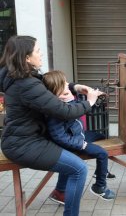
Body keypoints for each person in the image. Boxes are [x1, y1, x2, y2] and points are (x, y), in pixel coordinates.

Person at [0, 35, 101, 216]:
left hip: (25, 138)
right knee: (79, 169)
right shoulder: (26, 84)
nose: (41, 54)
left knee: (71, 153)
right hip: (24, 144)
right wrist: (90, 102)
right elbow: (64, 111)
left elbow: (45, 83)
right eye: (38, 51)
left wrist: (74, 87)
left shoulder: (16, 75)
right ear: (26, 58)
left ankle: (60, 192)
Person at [42, 70, 116, 202]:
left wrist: (90, 94)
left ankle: (101, 172)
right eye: (64, 83)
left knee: (100, 136)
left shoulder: (63, 98)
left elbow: (75, 107)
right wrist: (81, 144)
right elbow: (59, 136)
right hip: (73, 142)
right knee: (102, 153)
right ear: (56, 88)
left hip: (78, 135)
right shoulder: (55, 109)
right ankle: (99, 186)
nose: (68, 84)